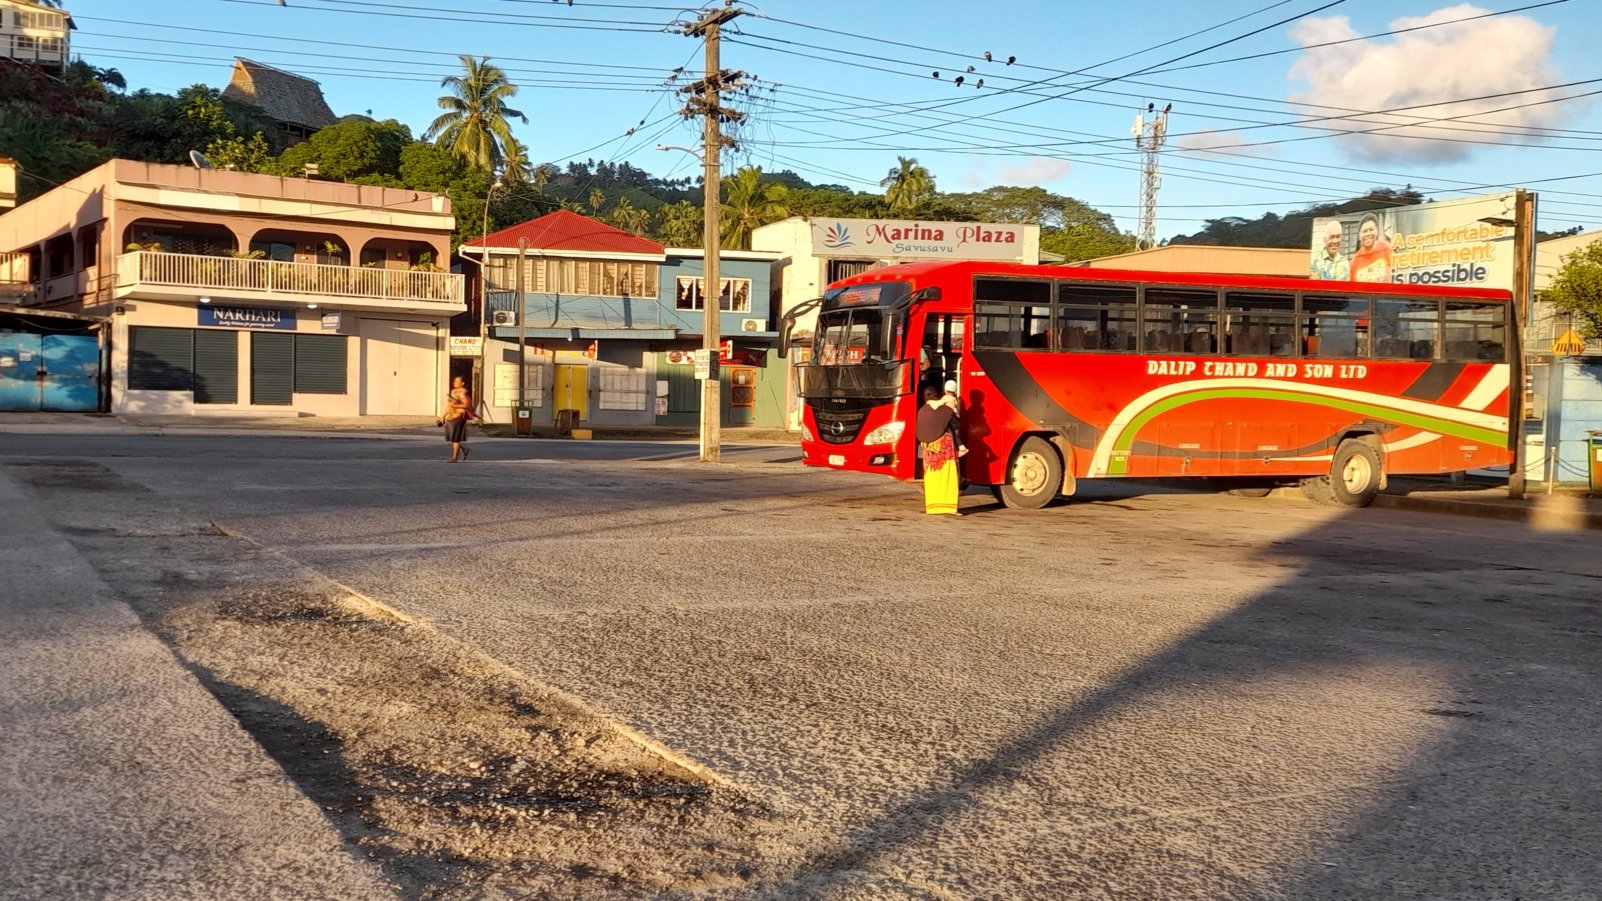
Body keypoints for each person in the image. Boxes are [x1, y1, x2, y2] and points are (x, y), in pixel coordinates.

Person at [915, 385, 966, 515]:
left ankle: (933, 507)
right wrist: (953, 408)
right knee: (948, 477)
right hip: (945, 450)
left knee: (932, 478)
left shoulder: (922, 411)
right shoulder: (946, 410)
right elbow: (957, 424)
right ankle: (949, 507)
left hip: (929, 451)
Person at [438, 376, 474, 462]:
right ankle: (464, 450)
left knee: (455, 437)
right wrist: (443, 416)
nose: (455, 382)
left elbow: (466, 405)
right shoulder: (453, 391)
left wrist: (455, 405)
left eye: (457, 381)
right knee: (452, 436)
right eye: (455, 381)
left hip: (458, 415)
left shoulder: (463, 392)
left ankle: (454, 457)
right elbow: (449, 405)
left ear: (462, 383)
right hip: (451, 416)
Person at [1349, 213, 1393, 283]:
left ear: (1377, 231)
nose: (1368, 234)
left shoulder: (1386, 247)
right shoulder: (1355, 261)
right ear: (1359, 236)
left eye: (1371, 229)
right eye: (1365, 231)